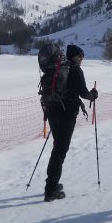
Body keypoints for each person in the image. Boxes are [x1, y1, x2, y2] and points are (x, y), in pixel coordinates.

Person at [43, 44, 98, 202]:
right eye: (81, 56)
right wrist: (93, 95)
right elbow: (84, 93)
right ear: (75, 55)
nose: (82, 59)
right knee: (60, 150)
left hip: (52, 110)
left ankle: (52, 183)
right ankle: (51, 189)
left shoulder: (60, 68)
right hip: (67, 113)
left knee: (57, 147)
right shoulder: (74, 69)